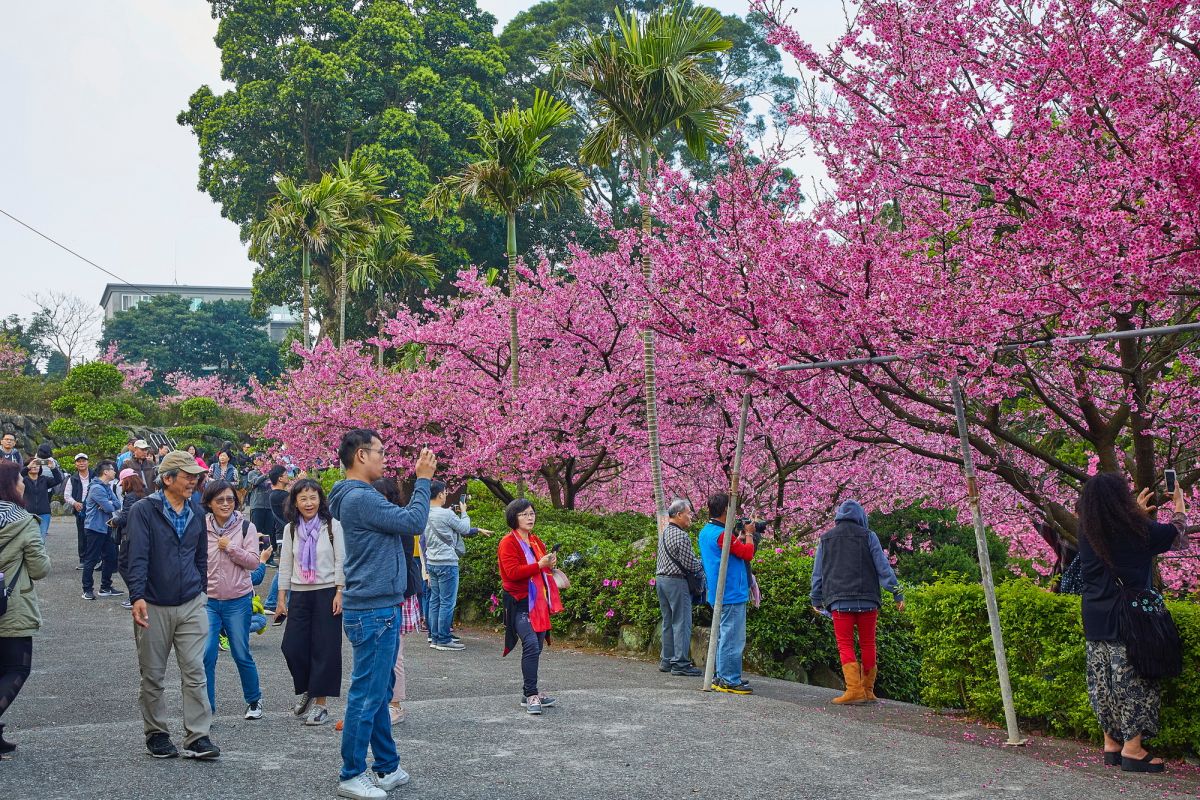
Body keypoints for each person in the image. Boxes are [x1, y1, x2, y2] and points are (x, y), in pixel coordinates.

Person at [327, 430, 434, 800]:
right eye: (380, 451)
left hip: (377, 605)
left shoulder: (357, 497)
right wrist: (423, 479)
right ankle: (352, 773)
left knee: (379, 690)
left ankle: (386, 767)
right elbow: (414, 522)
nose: (385, 458)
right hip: (373, 609)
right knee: (367, 695)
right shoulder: (359, 497)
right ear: (360, 455)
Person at [1077, 473, 1189, 773]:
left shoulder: (1087, 530)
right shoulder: (1136, 530)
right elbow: (1175, 535)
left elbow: (1117, 538)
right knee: (1134, 683)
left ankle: (1112, 744)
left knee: (1103, 683)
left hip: (1095, 616)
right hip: (1128, 619)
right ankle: (1133, 749)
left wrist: (1136, 514)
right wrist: (1179, 505)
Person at [126, 450, 219, 760]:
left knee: (195, 671)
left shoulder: (195, 510)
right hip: (153, 602)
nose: (194, 481)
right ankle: (157, 733)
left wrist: (202, 591)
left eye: (196, 476)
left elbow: (200, 556)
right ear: (167, 479)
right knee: (153, 674)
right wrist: (137, 595)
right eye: (187, 475)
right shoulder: (143, 510)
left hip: (191, 601)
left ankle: (198, 736)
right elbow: (136, 555)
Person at [810, 500, 904, 705]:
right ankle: (868, 691)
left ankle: (854, 690)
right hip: (868, 599)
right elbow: (883, 567)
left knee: (845, 644)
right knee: (868, 643)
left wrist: (815, 598)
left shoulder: (826, 539)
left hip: (839, 600)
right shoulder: (869, 536)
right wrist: (897, 593)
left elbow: (818, 573)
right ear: (861, 516)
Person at [277, 478, 345, 727]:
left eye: (313, 497)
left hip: (327, 592)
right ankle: (308, 687)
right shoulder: (291, 529)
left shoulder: (332, 526)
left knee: (325, 649)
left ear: (321, 500)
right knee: (292, 647)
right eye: (303, 498)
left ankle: (321, 705)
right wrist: (282, 598)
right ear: (295, 501)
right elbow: (285, 564)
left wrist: (340, 592)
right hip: (300, 592)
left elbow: (341, 561)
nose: (308, 503)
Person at [200, 480, 265, 720]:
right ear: (209, 503)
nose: (225, 504)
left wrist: (230, 548)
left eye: (229, 499)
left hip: (238, 600)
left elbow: (253, 562)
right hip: (208, 601)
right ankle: (206, 707)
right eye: (219, 500)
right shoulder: (200, 527)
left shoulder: (246, 527)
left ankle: (254, 700)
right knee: (206, 654)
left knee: (240, 652)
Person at [0, 461, 50, 753]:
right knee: (17, 668)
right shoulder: (22, 521)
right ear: (9, 485)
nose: (22, 483)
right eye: (19, 479)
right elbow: (40, 567)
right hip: (11, 605)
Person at [498, 498, 562, 716]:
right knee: (531, 645)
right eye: (524, 514)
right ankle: (531, 693)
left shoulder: (535, 540)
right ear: (513, 518)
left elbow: (542, 568)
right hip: (519, 601)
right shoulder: (508, 542)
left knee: (538, 646)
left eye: (532, 513)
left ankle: (528, 693)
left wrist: (549, 563)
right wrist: (539, 565)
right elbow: (512, 573)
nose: (530, 517)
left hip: (539, 601)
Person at [372, 478, 425, 725]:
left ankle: (395, 704)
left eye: (384, 497)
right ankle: (382, 702)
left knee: (395, 654)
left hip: (399, 594)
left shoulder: (400, 521)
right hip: (379, 594)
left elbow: (403, 559)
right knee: (378, 653)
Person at [698, 493, 756, 695]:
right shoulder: (722, 535)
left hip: (717, 591)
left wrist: (737, 539)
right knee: (732, 637)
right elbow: (748, 553)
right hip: (731, 591)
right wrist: (749, 534)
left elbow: (728, 551)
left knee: (724, 635)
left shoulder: (706, 532)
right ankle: (730, 680)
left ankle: (722, 675)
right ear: (725, 511)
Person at [424, 481, 489, 651]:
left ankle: (435, 637)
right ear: (439, 495)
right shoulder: (445, 514)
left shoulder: (423, 513)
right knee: (447, 602)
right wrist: (465, 512)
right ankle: (444, 639)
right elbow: (464, 528)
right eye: (445, 492)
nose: (446, 495)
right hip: (447, 562)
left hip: (432, 562)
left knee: (435, 601)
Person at [655, 498, 704, 677]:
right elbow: (691, 564)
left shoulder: (665, 532)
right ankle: (681, 663)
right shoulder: (681, 536)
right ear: (678, 515)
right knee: (682, 622)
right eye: (688, 513)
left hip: (661, 580)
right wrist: (703, 565)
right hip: (676, 582)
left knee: (668, 621)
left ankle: (667, 660)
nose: (690, 517)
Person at [82, 461, 122, 601]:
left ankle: (105, 587)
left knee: (110, 557)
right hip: (94, 528)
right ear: (105, 472)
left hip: (106, 527)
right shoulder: (97, 488)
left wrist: (108, 503)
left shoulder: (106, 486)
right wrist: (108, 504)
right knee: (92, 559)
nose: (114, 472)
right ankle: (87, 589)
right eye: (112, 470)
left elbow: (118, 504)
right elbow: (110, 508)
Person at [112, 469, 148, 610]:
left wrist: (115, 521)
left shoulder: (130, 497)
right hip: (143, 534)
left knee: (123, 565)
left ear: (128, 481)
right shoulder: (145, 493)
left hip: (130, 536)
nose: (122, 486)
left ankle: (136, 595)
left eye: (123, 483)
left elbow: (125, 517)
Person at [264, 466, 291, 617]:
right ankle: (271, 602)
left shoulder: (277, 494)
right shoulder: (279, 495)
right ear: (280, 478)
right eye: (286, 474)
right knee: (284, 570)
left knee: (288, 569)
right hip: (285, 535)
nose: (288, 477)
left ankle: (275, 602)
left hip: (283, 534)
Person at [62, 453, 93, 570]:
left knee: (96, 534)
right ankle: (83, 559)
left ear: (88, 462)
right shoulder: (73, 478)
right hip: (80, 510)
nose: (82, 463)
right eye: (79, 461)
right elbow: (66, 495)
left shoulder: (95, 475)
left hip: (94, 509)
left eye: (84, 461)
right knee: (82, 535)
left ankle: (97, 558)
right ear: (76, 464)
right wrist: (75, 503)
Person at [20, 457, 62, 542]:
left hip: (44, 514)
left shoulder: (44, 479)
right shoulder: (23, 480)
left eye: (37, 465)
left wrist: (53, 468)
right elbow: (16, 477)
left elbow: (58, 480)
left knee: (41, 540)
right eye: (33, 465)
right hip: (27, 514)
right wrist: (28, 467)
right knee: (28, 540)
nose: (35, 467)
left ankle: (39, 555)